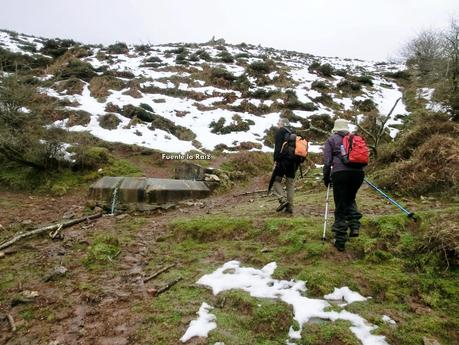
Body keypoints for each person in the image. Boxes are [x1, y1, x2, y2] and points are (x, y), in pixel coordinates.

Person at [323, 119, 365, 251]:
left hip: (340, 174)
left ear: (335, 129)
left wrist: (326, 178)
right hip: (358, 173)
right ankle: (354, 226)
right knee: (350, 198)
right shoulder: (354, 139)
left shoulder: (331, 140)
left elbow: (327, 161)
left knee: (340, 203)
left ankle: (340, 239)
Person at [272, 117, 298, 214]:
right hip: (294, 162)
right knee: (290, 183)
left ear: (282, 124)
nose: (277, 124)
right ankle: (290, 207)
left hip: (283, 161)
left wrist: (276, 160)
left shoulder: (281, 131)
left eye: (278, 122)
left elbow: (278, 147)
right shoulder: (294, 132)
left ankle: (283, 200)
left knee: (276, 180)